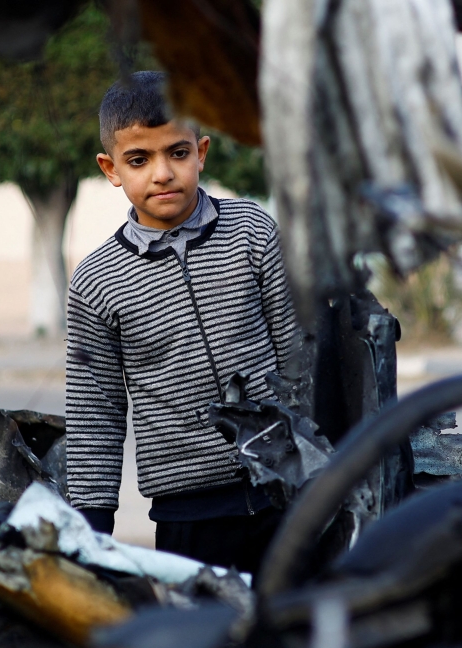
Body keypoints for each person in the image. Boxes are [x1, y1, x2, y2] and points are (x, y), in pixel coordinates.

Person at [65, 71, 298, 575]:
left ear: (202, 151)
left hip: (291, 491)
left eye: (177, 153)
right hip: (189, 514)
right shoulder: (96, 280)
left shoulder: (253, 232)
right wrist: (91, 530)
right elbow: (95, 413)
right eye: (139, 160)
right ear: (110, 168)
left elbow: (298, 353)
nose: (162, 173)